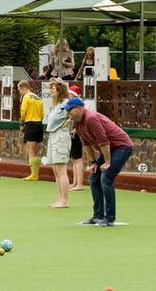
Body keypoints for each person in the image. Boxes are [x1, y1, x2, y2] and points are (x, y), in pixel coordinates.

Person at [65, 97, 134, 227]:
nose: (68, 113)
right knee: (93, 178)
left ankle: (109, 218)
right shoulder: (77, 122)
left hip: (121, 147)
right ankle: (98, 216)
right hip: (109, 149)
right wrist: (93, 162)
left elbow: (103, 141)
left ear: (79, 108)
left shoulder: (91, 118)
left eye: (70, 110)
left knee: (106, 177)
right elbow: (86, 143)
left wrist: (107, 162)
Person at [45, 77, 72, 208]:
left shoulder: (67, 103)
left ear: (59, 89)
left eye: (52, 87)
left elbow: (79, 111)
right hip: (52, 135)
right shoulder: (55, 105)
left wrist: (71, 121)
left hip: (61, 136)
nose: (50, 90)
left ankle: (64, 200)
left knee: (61, 170)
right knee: (56, 170)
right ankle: (60, 198)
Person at [17, 80, 44, 181]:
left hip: (30, 123)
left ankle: (34, 174)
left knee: (30, 149)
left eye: (19, 90)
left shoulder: (26, 97)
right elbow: (42, 114)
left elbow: (23, 111)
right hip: (39, 124)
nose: (19, 92)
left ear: (24, 88)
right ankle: (35, 173)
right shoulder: (38, 98)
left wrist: (22, 123)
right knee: (36, 150)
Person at [67, 84, 85, 191]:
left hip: (76, 133)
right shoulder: (72, 104)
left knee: (78, 159)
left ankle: (79, 184)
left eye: (70, 93)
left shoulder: (78, 105)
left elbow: (80, 120)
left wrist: (75, 130)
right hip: (72, 133)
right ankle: (74, 182)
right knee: (74, 159)